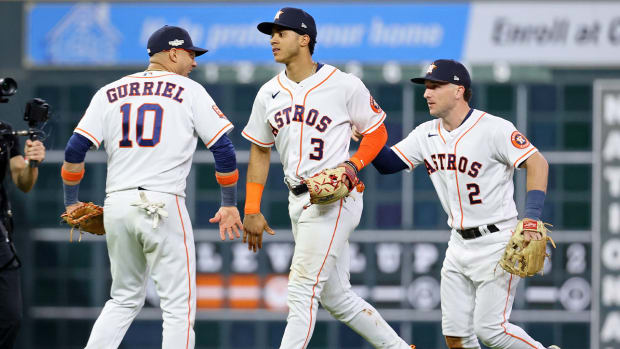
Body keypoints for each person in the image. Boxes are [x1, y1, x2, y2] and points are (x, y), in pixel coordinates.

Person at [241, 7, 415, 349]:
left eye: (281, 32)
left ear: (304, 39)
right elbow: (261, 150)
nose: (273, 40)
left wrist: (353, 165)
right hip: (297, 198)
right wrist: (251, 207)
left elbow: (377, 132)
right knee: (337, 297)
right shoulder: (268, 93)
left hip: (334, 199)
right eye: (271, 34)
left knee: (302, 287)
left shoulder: (343, 84)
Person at [60, 25, 242, 349]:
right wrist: (229, 202)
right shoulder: (189, 91)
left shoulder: (109, 91)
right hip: (162, 203)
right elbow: (224, 150)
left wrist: (71, 201)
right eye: (190, 54)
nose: (194, 63)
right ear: (173, 53)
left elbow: (75, 151)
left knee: (123, 299)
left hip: (117, 204)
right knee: (178, 306)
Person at [370, 59, 560, 349]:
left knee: (491, 330)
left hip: (497, 241)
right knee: (456, 337)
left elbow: (537, 163)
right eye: (426, 87)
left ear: (459, 90)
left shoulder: (494, 129)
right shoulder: (426, 134)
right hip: (458, 245)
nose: (427, 93)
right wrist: (365, 133)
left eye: (435, 86)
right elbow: (386, 164)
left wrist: (532, 218)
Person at [0, 127, 45, 349]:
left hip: (0, 234)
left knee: (10, 317)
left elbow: (23, 181)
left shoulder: (4, 132)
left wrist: (32, 162)